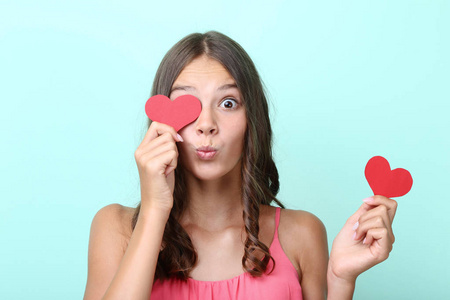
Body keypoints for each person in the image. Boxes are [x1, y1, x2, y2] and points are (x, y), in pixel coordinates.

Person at [83, 31, 397, 300]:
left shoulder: (301, 234)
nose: (207, 124)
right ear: (161, 121)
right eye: (187, 105)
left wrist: (341, 282)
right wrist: (154, 209)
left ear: (252, 121)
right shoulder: (116, 229)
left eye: (228, 103)